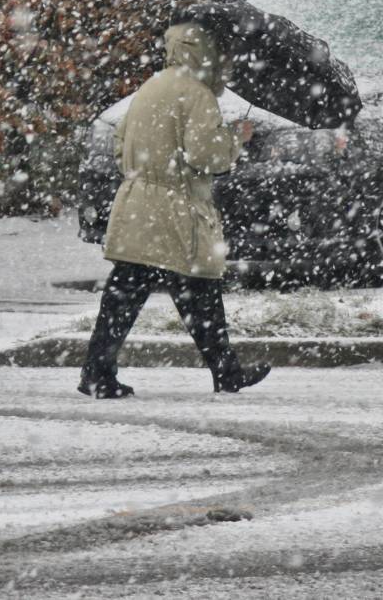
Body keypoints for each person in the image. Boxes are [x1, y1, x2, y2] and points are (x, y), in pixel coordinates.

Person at [78, 21, 271, 399]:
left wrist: (146, 173)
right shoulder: (197, 94)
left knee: (133, 293)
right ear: (205, 55)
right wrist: (235, 139)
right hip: (178, 208)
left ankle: (99, 371)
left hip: (138, 203)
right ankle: (223, 370)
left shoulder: (152, 86)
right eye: (220, 54)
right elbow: (205, 156)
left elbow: (121, 144)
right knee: (197, 290)